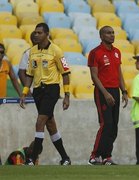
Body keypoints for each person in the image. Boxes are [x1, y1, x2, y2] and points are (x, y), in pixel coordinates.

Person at [19, 23, 71, 165]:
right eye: (35, 32)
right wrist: (24, 93)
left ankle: (32, 158)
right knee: (50, 125)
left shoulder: (57, 51)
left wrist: (67, 95)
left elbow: (66, 73)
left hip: (51, 89)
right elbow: (29, 74)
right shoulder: (32, 52)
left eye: (39, 33)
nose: (36, 35)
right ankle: (65, 158)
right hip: (37, 91)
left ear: (46, 34)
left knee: (40, 121)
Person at [87, 25, 128, 165]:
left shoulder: (117, 52)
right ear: (101, 36)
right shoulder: (95, 53)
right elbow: (94, 76)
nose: (112, 35)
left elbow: (119, 72)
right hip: (102, 91)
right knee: (106, 124)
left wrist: (124, 91)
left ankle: (106, 156)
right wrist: (105, 93)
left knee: (114, 126)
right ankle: (94, 155)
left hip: (115, 91)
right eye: (108, 33)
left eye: (113, 33)